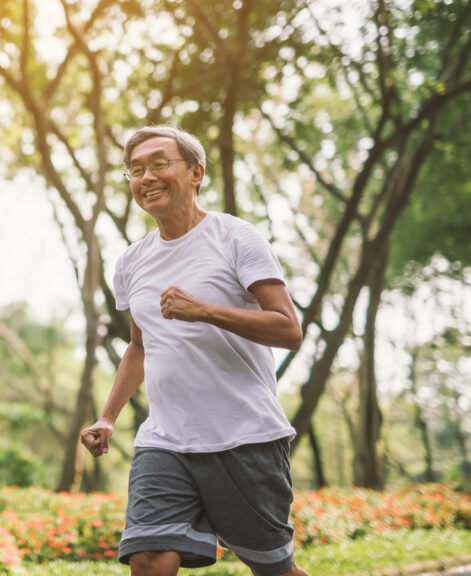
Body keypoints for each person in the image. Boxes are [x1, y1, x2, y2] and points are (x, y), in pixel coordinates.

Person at [80, 126, 309, 576]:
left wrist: (204, 310)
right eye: (136, 169)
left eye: (160, 164)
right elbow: (140, 346)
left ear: (197, 172)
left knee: (275, 570)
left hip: (243, 433)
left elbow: (288, 330)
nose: (146, 177)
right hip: (165, 437)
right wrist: (108, 416)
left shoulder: (235, 238)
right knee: (148, 558)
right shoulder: (131, 262)